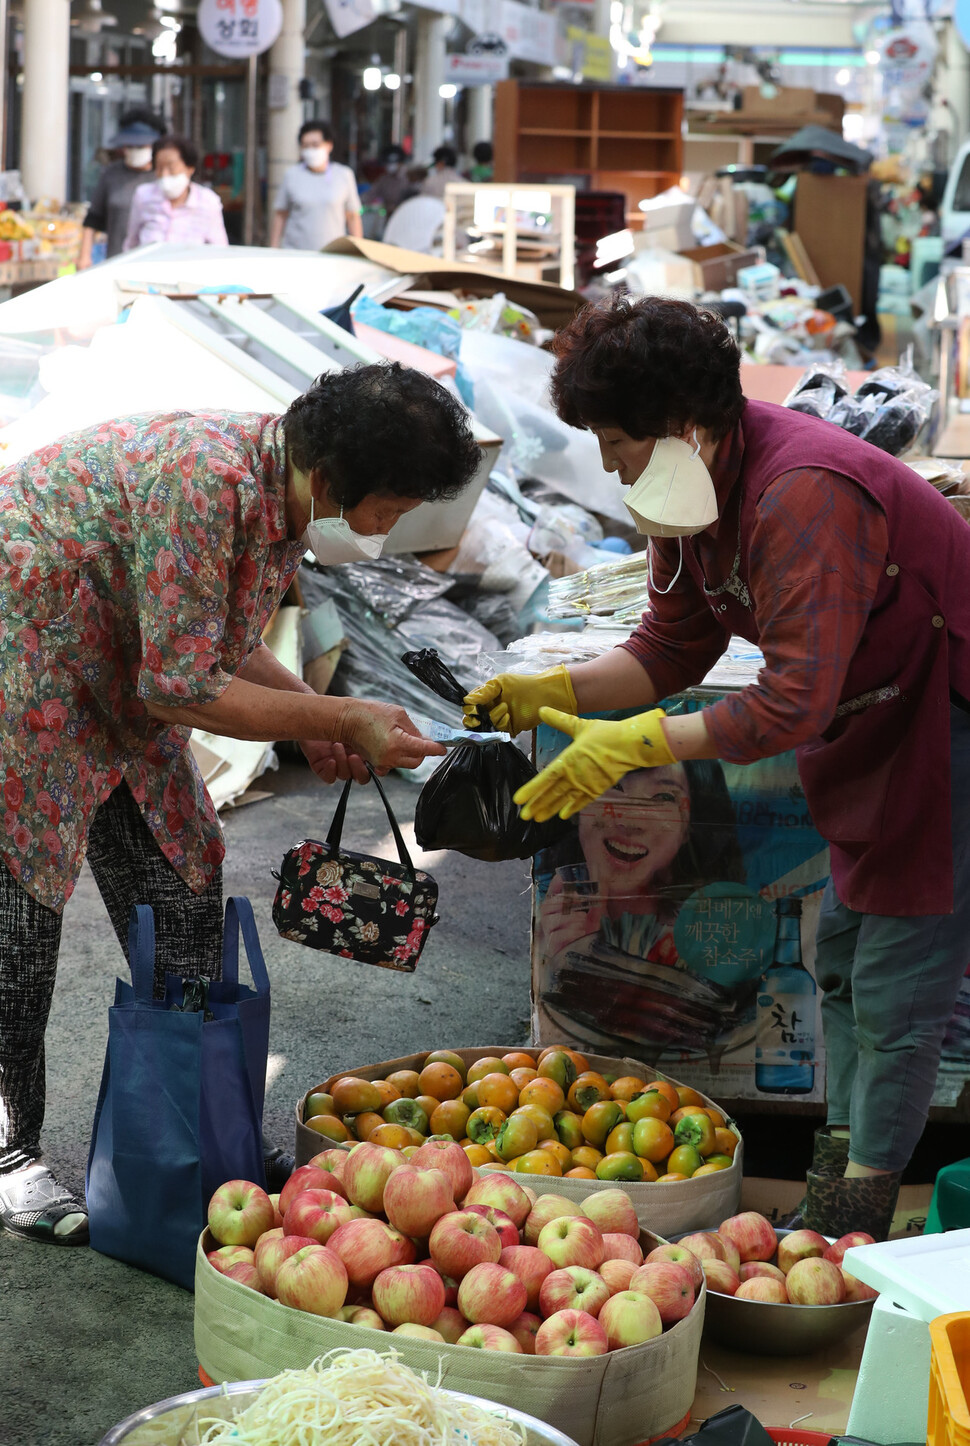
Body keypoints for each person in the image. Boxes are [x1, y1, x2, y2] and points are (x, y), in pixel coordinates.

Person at [465, 293, 970, 1241]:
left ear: (686, 428)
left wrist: (645, 741)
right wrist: (559, 694)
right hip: (876, 722)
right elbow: (668, 648)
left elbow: (793, 701)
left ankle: (852, 1216)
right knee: (845, 966)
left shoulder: (806, 491)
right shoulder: (690, 488)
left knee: (899, 984)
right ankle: (842, 1179)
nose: (610, 467)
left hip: (948, 720)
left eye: (617, 443)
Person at [0, 362, 481, 1246]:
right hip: (25, 661)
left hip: (120, 667)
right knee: (20, 924)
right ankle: (11, 1154)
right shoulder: (204, 483)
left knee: (183, 873)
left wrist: (313, 719)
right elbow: (182, 685)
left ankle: (191, 1127)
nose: (394, 527)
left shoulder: (282, 490)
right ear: (337, 480)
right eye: (394, 506)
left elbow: (214, 644)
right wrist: (336, 712)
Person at [536, 761, 746, 1056]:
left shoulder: (714, 935)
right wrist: (557, 963)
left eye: (663, 798)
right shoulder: (550, 910)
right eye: (614, 786)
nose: (629, 820)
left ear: (690, 826)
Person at [78, 107, 164, 267]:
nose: (134, 151)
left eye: (140, 147)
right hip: (117, 260)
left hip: (155, 262)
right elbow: (93, 218)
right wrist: (84, 256)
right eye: (130, 146)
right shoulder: (111, 175)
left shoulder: (163, 177)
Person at [270, 120, 363, 251]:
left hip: (333, 254)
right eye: (305, 146)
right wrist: (273, 248)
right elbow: (280, 214)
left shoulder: (344, 175)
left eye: (315, 145)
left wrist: (359, 250)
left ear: (329, 145)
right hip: (296, 253)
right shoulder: (292, 175)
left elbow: (353, 216)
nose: (310, 150)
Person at [124, 134, 227, 250]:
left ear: (190, 168)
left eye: (171, 168)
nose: (164, 174)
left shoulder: (208, 202)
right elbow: (131, 243)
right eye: (159, 168)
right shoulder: (143, 196)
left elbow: (220, 248)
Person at [363, 145, 418, 222]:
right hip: (390, 218)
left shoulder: (410, 177)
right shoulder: (384, 179)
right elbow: (371, 194)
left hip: (408, 217)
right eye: (388, 164)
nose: (390, 166)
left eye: (393, 163)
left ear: (401, 163)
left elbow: (417, 199)